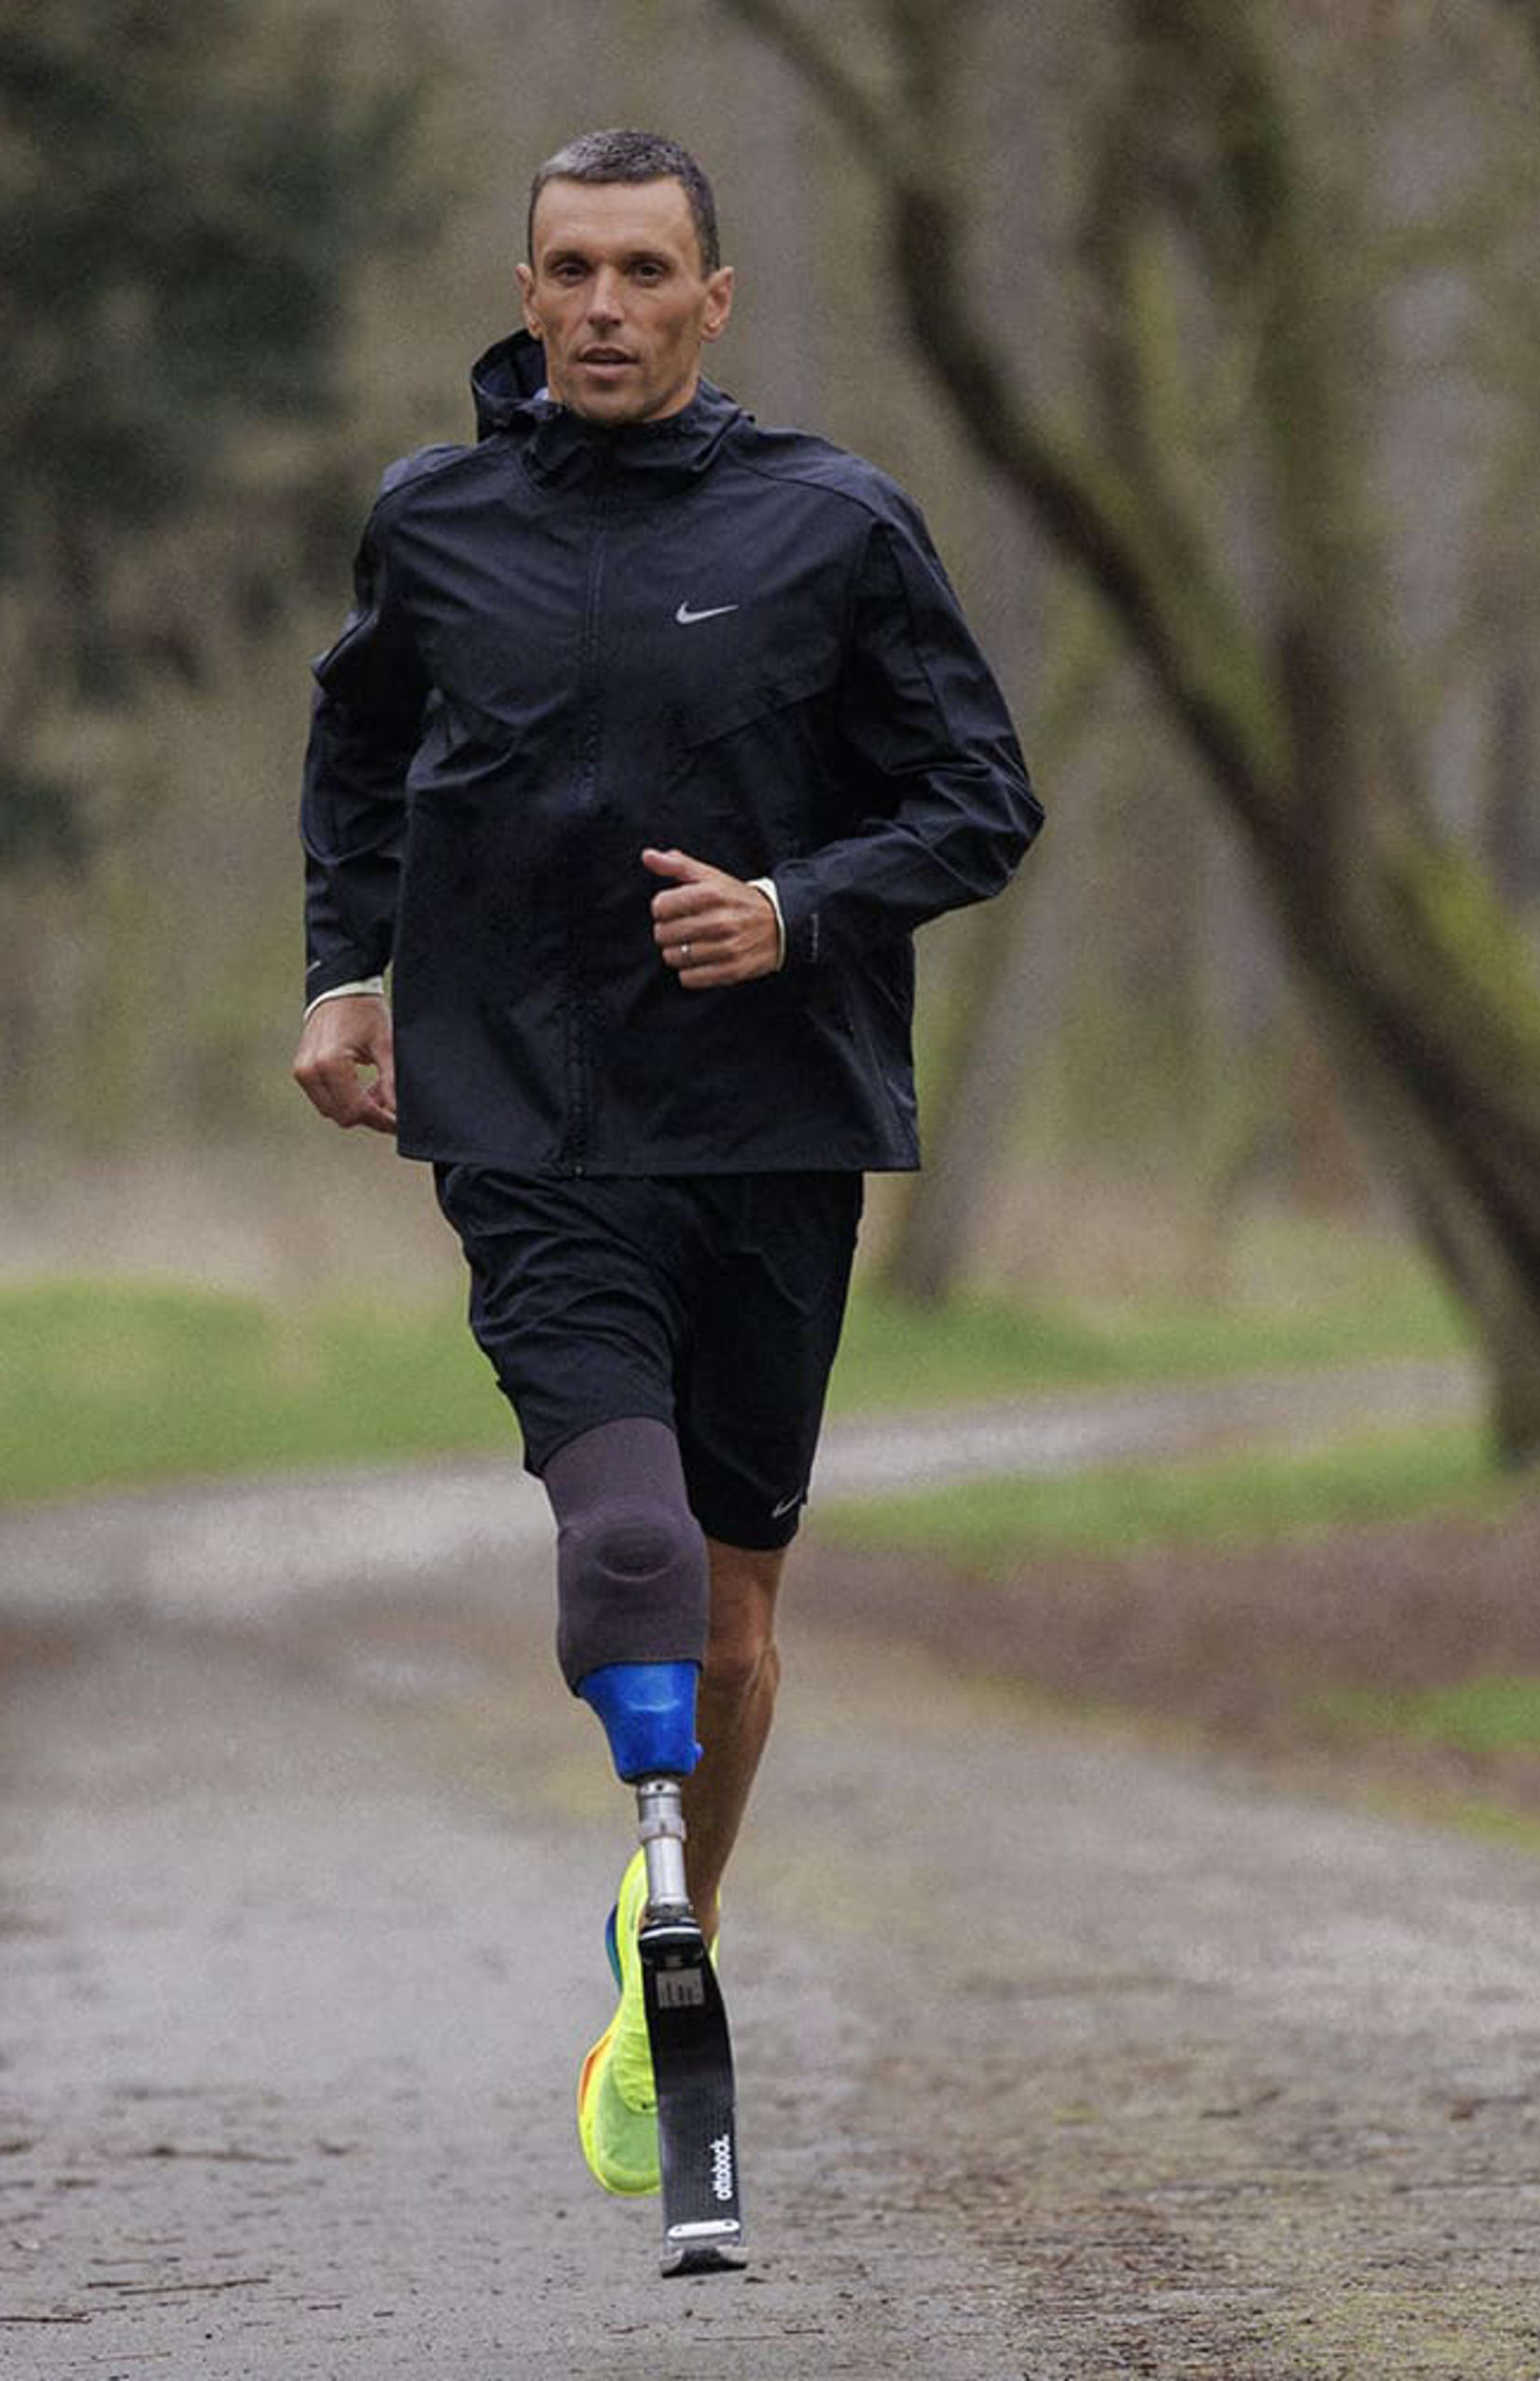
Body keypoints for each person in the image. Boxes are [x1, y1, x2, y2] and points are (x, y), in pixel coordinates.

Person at [289, 126, 1041, 2200]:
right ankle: (674, 1916)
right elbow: (359, 755)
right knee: (622, 1544)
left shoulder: (835, 524)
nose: (603, 305)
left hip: (771, 1120)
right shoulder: (432, 524)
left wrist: (796, 903)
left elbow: (984, 799)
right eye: (568, 268)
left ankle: (661, 1939)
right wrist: (347, 971)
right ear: (524, 292)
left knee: (726, 1615)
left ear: (715, 300)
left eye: (642, 269)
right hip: (522, 1118)